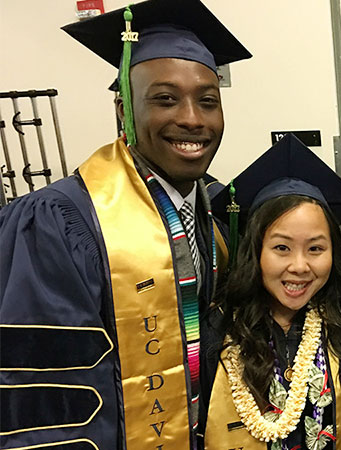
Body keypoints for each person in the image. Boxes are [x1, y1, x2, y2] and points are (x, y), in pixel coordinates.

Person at [0, 1, 250, 449]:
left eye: (208, 101)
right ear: (124, 110)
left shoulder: (215, 218)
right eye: (165, 99)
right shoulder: (58, 223)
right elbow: (44, 400)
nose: (192, 119)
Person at [204, 134, 341, 449]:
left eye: (316, 248)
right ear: (256, 251)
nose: (300, 266)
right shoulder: (218, 333)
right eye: (282, 247)